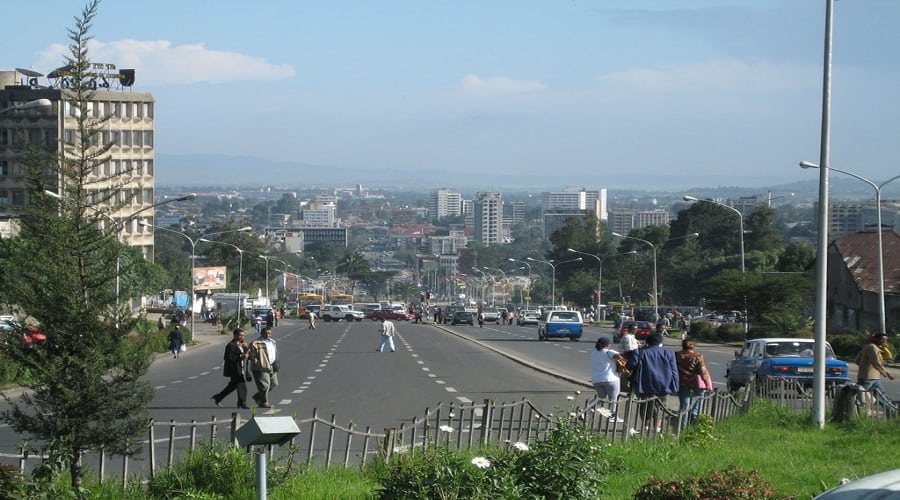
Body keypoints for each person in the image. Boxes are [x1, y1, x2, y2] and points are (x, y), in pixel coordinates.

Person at [627, 333, 679, 433]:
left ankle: (646, 425)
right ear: (661, 342)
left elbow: (631, 365)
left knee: (645, 404)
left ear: (647, 342)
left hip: (644, 383)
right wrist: (675, 385)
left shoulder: (639, 352)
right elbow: (674, 371)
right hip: (664, 384)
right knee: (662, 405)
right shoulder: (669, 353)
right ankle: (658, 426)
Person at [676, 339, 713, 428]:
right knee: (700, 396)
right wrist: (707, 384)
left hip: (682, 382)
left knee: (684, 404)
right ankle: (694, 413)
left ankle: (683, 427)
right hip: (695, 382)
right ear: (693, 346)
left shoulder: (676, 355)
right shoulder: (698, 356)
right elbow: (703, 371)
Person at [855, 333, 896, 412]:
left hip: (871, 377)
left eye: (886, 340)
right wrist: (886, 373)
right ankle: (855, 413)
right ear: (875, 339)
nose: (884, 342)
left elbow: (857, 361)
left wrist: (865, 365)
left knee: (881, 397)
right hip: (867, 378)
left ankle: (893, 412)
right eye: (882, 340)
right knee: (859, 397)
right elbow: (876, 363)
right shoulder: (873, 348)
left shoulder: (867, 347)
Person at [212, 328, 251, 409]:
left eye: (243, 335)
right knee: (242, 386)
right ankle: (242, 403)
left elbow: (247, 354)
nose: (242, 337)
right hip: (234, 369)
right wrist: (241, 356)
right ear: (235, 335)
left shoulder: (241, 344)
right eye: (240, 335)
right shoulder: (231, 345)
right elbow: (229, 357)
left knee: (232, 386)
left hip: (241, 367)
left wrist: (246, 348)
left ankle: (218, 397)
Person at [590, 337, 624, 423]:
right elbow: (619, 356)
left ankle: (585, 410)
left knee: (600, 398)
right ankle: (613, 416)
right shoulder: (609, 351)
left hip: (596, 380)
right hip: (611, 379)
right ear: (607, 345)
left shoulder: (594, 353)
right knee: (613, 398)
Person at [249, 327, 279, 408]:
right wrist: (258, 364)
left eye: (269, 333)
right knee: (265, 386)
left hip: (272, 365)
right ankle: (263, 402)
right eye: (266, 333)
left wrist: (276, 363)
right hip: (261, 367)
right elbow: (252, 356)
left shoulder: (273, 342)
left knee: (274, 384)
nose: (268, 335)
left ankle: (258, 396)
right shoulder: (255, 343)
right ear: (261, 333)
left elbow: (274, 353)